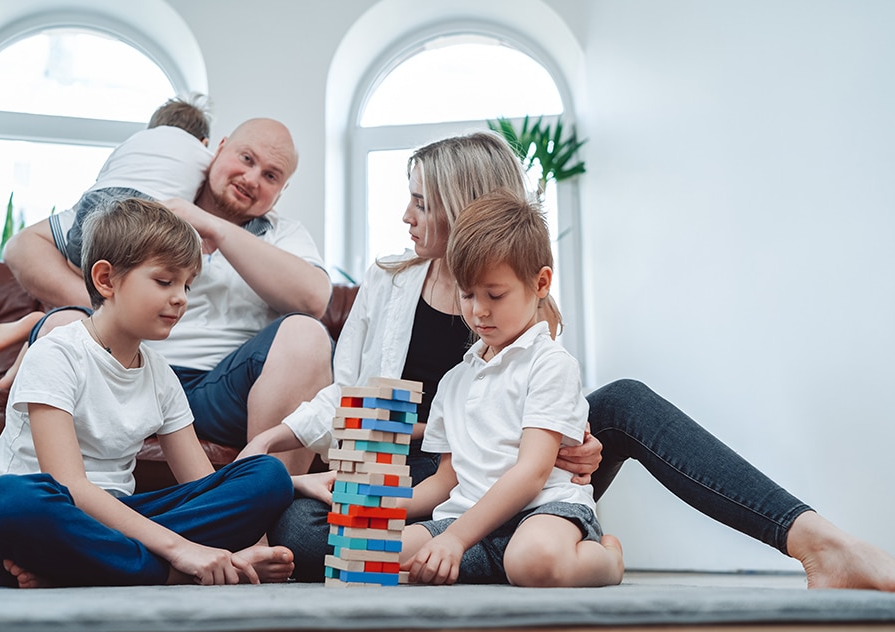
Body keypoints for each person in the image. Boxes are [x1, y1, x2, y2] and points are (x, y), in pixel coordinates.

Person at [242, 132, 895, 590]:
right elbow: (354, 394)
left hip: (529, 471)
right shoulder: (388, 283)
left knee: (627, 399)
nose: (405, 215)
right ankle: (514, 557)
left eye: (420, 200)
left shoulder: (522, 289)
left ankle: (817, 540)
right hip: (434, 471)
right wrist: (285, 432)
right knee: (303, 529)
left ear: (460, 202)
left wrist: (574, 439)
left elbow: (543, 401)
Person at [0, 198, 296, 588]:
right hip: (52, 511)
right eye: (164, 281)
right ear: (106, 280)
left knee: (267, 476)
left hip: (116, 520)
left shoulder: (160, 374)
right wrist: (180, 550)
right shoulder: (56, 353)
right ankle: (169, 572)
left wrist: (259, 534)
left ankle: (77, 567)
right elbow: (70, 485)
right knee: (4, 501)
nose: (181, 298)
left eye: (186, 285)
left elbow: (201, 483)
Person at [1, 118, 334, 474]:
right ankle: (58, 510)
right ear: (218, 149)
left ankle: (271, 521)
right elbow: (23, 248)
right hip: (123, 371)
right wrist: (108, 302)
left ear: (281, 191)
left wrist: (212, 226)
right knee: (65, 323)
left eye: (271, 176)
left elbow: (314, 299)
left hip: (221, 391)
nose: (252, 179)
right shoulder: (149, 206)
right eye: (247, 159)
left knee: (306, 334)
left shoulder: (285, 234)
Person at [398, 190, 623, 586]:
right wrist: (384, 505)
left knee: (530, 560)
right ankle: (487, 563)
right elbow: (445, 480)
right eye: (467, 295)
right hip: (468, 518)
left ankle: (607, 557)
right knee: (387, 552)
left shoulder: (549, 363)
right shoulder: (454, 381)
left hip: (544, 512)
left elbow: (533, 472)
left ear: (540, 283)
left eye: (494, 295)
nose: (478, 311)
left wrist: (454, 539)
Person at [0, 94, 216, 380]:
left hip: (97, 207)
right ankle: (42, 323)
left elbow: (104, 176)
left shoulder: (131, 144)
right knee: (112, 302)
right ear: (204, 142)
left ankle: (40, 326)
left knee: (98, 293)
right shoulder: (204, 156)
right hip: (144, 213)